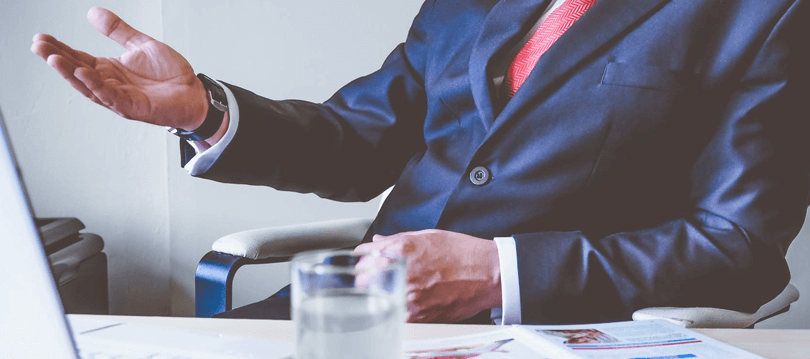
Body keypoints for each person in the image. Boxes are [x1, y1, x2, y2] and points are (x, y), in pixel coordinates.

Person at [31, 0, 809, 325]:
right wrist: (207, 109)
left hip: (541, 331)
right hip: (355, 316)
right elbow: (357, 139)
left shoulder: (768, 16)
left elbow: (738, 247)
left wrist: (500, 272)